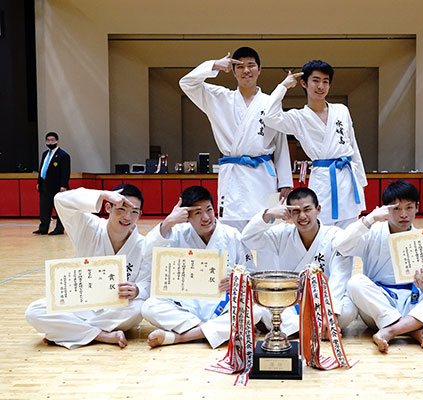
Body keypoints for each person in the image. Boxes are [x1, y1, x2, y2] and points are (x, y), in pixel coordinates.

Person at [333, 180, 423, 353]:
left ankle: (391, 330)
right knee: (355, 283)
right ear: (385, 209)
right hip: (379, 305)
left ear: (417, 207)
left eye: (409, 207)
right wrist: (369, 219)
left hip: (412, 301)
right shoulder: (374, 232)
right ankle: (411, 328)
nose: (404, 214)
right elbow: (341, 245)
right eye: (396, 208)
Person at [179, 47, 293, 232]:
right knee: (231, 233)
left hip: (263, 175)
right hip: (233, 177)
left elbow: (280, 143)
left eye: (251, 65)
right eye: (240, 66)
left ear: (259, 69)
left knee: (270, 231)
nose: (246, 70)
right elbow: (187, 83)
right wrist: (215, 65)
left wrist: (286, 181)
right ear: (233, 71)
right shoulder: (219, 98)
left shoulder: (270, 101)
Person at [25, 184, 150, 349]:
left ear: (140, 214)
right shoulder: (89, 227)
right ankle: (102, 335)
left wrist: (137, 290)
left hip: (116, 311)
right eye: (121, 208)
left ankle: (67, 330)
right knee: (34, 311)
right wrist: (103, 194)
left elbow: (147, 282)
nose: (127, 217)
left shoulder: (143, 245)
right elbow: (60, 200)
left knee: (140, 308)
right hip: (80, 304)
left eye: (134, 212)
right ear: (108, 207)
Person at [141, 186, 258, 348]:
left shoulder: (232, 235)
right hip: (187, 307)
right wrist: (169, 221)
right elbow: (147, 253)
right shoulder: (177, 233)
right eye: (197, 213)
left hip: (223, 306)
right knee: (149, 306)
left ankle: (179, 337)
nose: (206, 217)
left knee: (256, 311)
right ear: (187, 217)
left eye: (209, 210)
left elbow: (251, 273)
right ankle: (211, 330)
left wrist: (237, 282)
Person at [264, 60, 367, 228]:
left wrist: (361, 182)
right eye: (316, 80)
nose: (321, 86)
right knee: (322, 230)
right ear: (304, 83)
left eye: (325, 81)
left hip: (347, 177)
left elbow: (353, 147)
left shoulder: (341, 110)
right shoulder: (298, 117)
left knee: (350, 233)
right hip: (323, 178)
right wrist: (283, 86)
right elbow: (269, 118)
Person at [241, 187, 356, 336]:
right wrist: (268, 214)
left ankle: (305, 327)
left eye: (307, 209)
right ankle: (318, 329)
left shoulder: (336, 236)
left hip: (321, 303)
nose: (302, 216)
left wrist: (329, 313)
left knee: (349, 310)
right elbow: (247, 238)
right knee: (264, 310)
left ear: (318, 209)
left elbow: (339, 278)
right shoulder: (280, 234)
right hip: (289, 304)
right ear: (289, 213)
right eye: (295, 211)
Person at [33, 132, 71, 235]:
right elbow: (42, 169)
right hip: (44, 185)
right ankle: (43, 228)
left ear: (57, 141)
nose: (50, 142)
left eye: (52, 140)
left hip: (57, 187)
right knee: (44, 208)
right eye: (48, 140)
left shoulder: (63, 155)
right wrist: (39, 182)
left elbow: (65, 172)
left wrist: (64, 185)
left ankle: (59, 229)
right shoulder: (45, 154)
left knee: (59, 209)